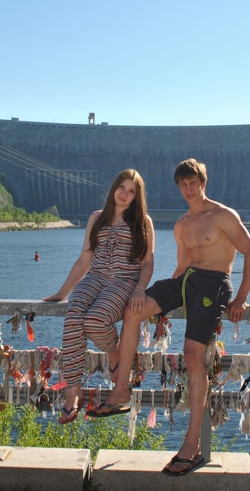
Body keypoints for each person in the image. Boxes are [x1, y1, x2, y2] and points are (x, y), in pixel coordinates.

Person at [88, 158, 250, 477]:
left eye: (193, 182)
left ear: (203, 183)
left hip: (214, 283)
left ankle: (191, 445)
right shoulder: (181, 224)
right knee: (132, 309)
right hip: (186, 280)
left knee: (193, 357)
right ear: (178, 187)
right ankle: (122, 388)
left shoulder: (223, 215)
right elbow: (181, 268)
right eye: (183, 184)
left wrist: (241, 300)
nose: (188, 189)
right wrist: (159, 303)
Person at [43, 169, 155, 425]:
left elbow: (147, 262)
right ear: (113, 188)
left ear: (137, 196)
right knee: (73, 315)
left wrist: (139, 288)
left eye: (131, 191)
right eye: (121, 188)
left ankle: (115, 354)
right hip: (95, 279)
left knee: (94, 320)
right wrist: (63, 292)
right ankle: (73, 391)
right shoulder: (96, 218)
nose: (125, 194)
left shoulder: (143, 222)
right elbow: (85, 259)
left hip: (124, 283)